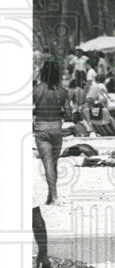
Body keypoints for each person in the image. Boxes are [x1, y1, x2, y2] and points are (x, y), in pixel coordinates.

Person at [33, 59, 70, 205]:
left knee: (48, 163)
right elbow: (69, 113)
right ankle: (51, 195)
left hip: (41, 128)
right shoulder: (62, 91)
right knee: (53, 163)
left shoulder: (36, 90)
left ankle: (54, 196)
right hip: (56, 128)